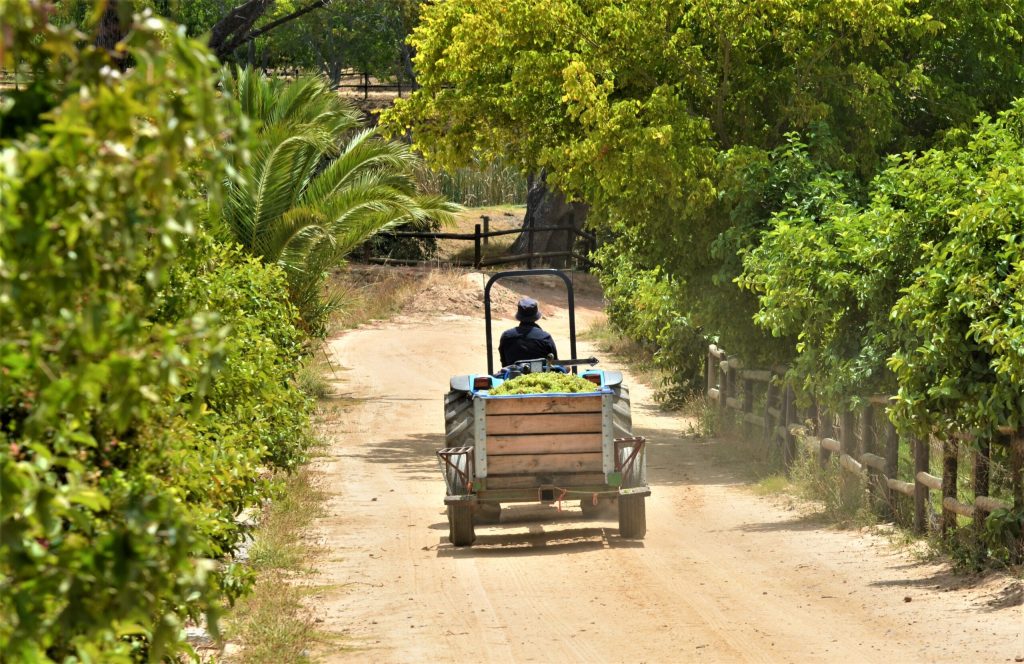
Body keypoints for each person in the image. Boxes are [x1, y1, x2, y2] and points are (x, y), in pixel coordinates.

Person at [498, 297, 558, 367]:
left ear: (519, 315)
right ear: (535, 316)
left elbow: (504, 362)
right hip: (540, 374)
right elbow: (554, 363)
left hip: (513, 374)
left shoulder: (506, 336)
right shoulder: (545, 337)